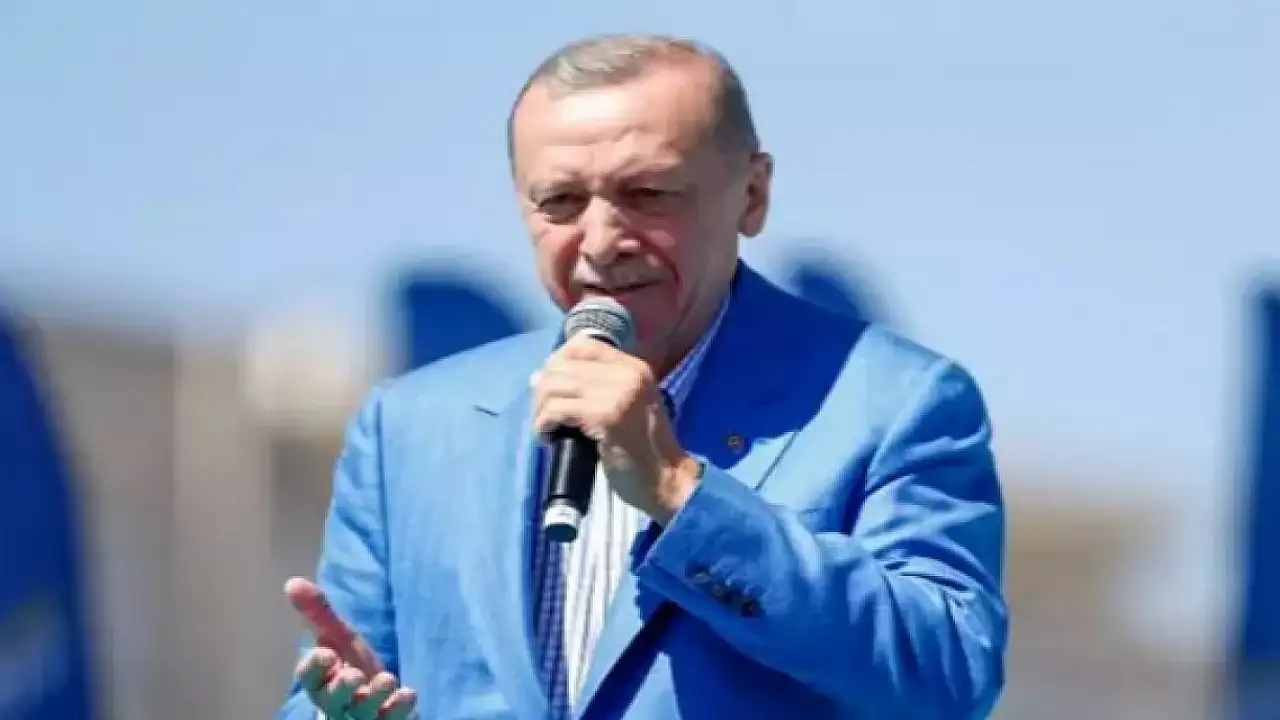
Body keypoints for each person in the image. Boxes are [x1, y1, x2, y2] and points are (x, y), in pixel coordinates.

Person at [277, 34, 1008, 720]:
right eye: (561, 201)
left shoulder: (896, 402)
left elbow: (947, 675)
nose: (601, 242)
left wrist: (678, 492)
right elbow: (332, 691)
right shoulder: (410, 425)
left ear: (752, 196)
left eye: (649, 194)